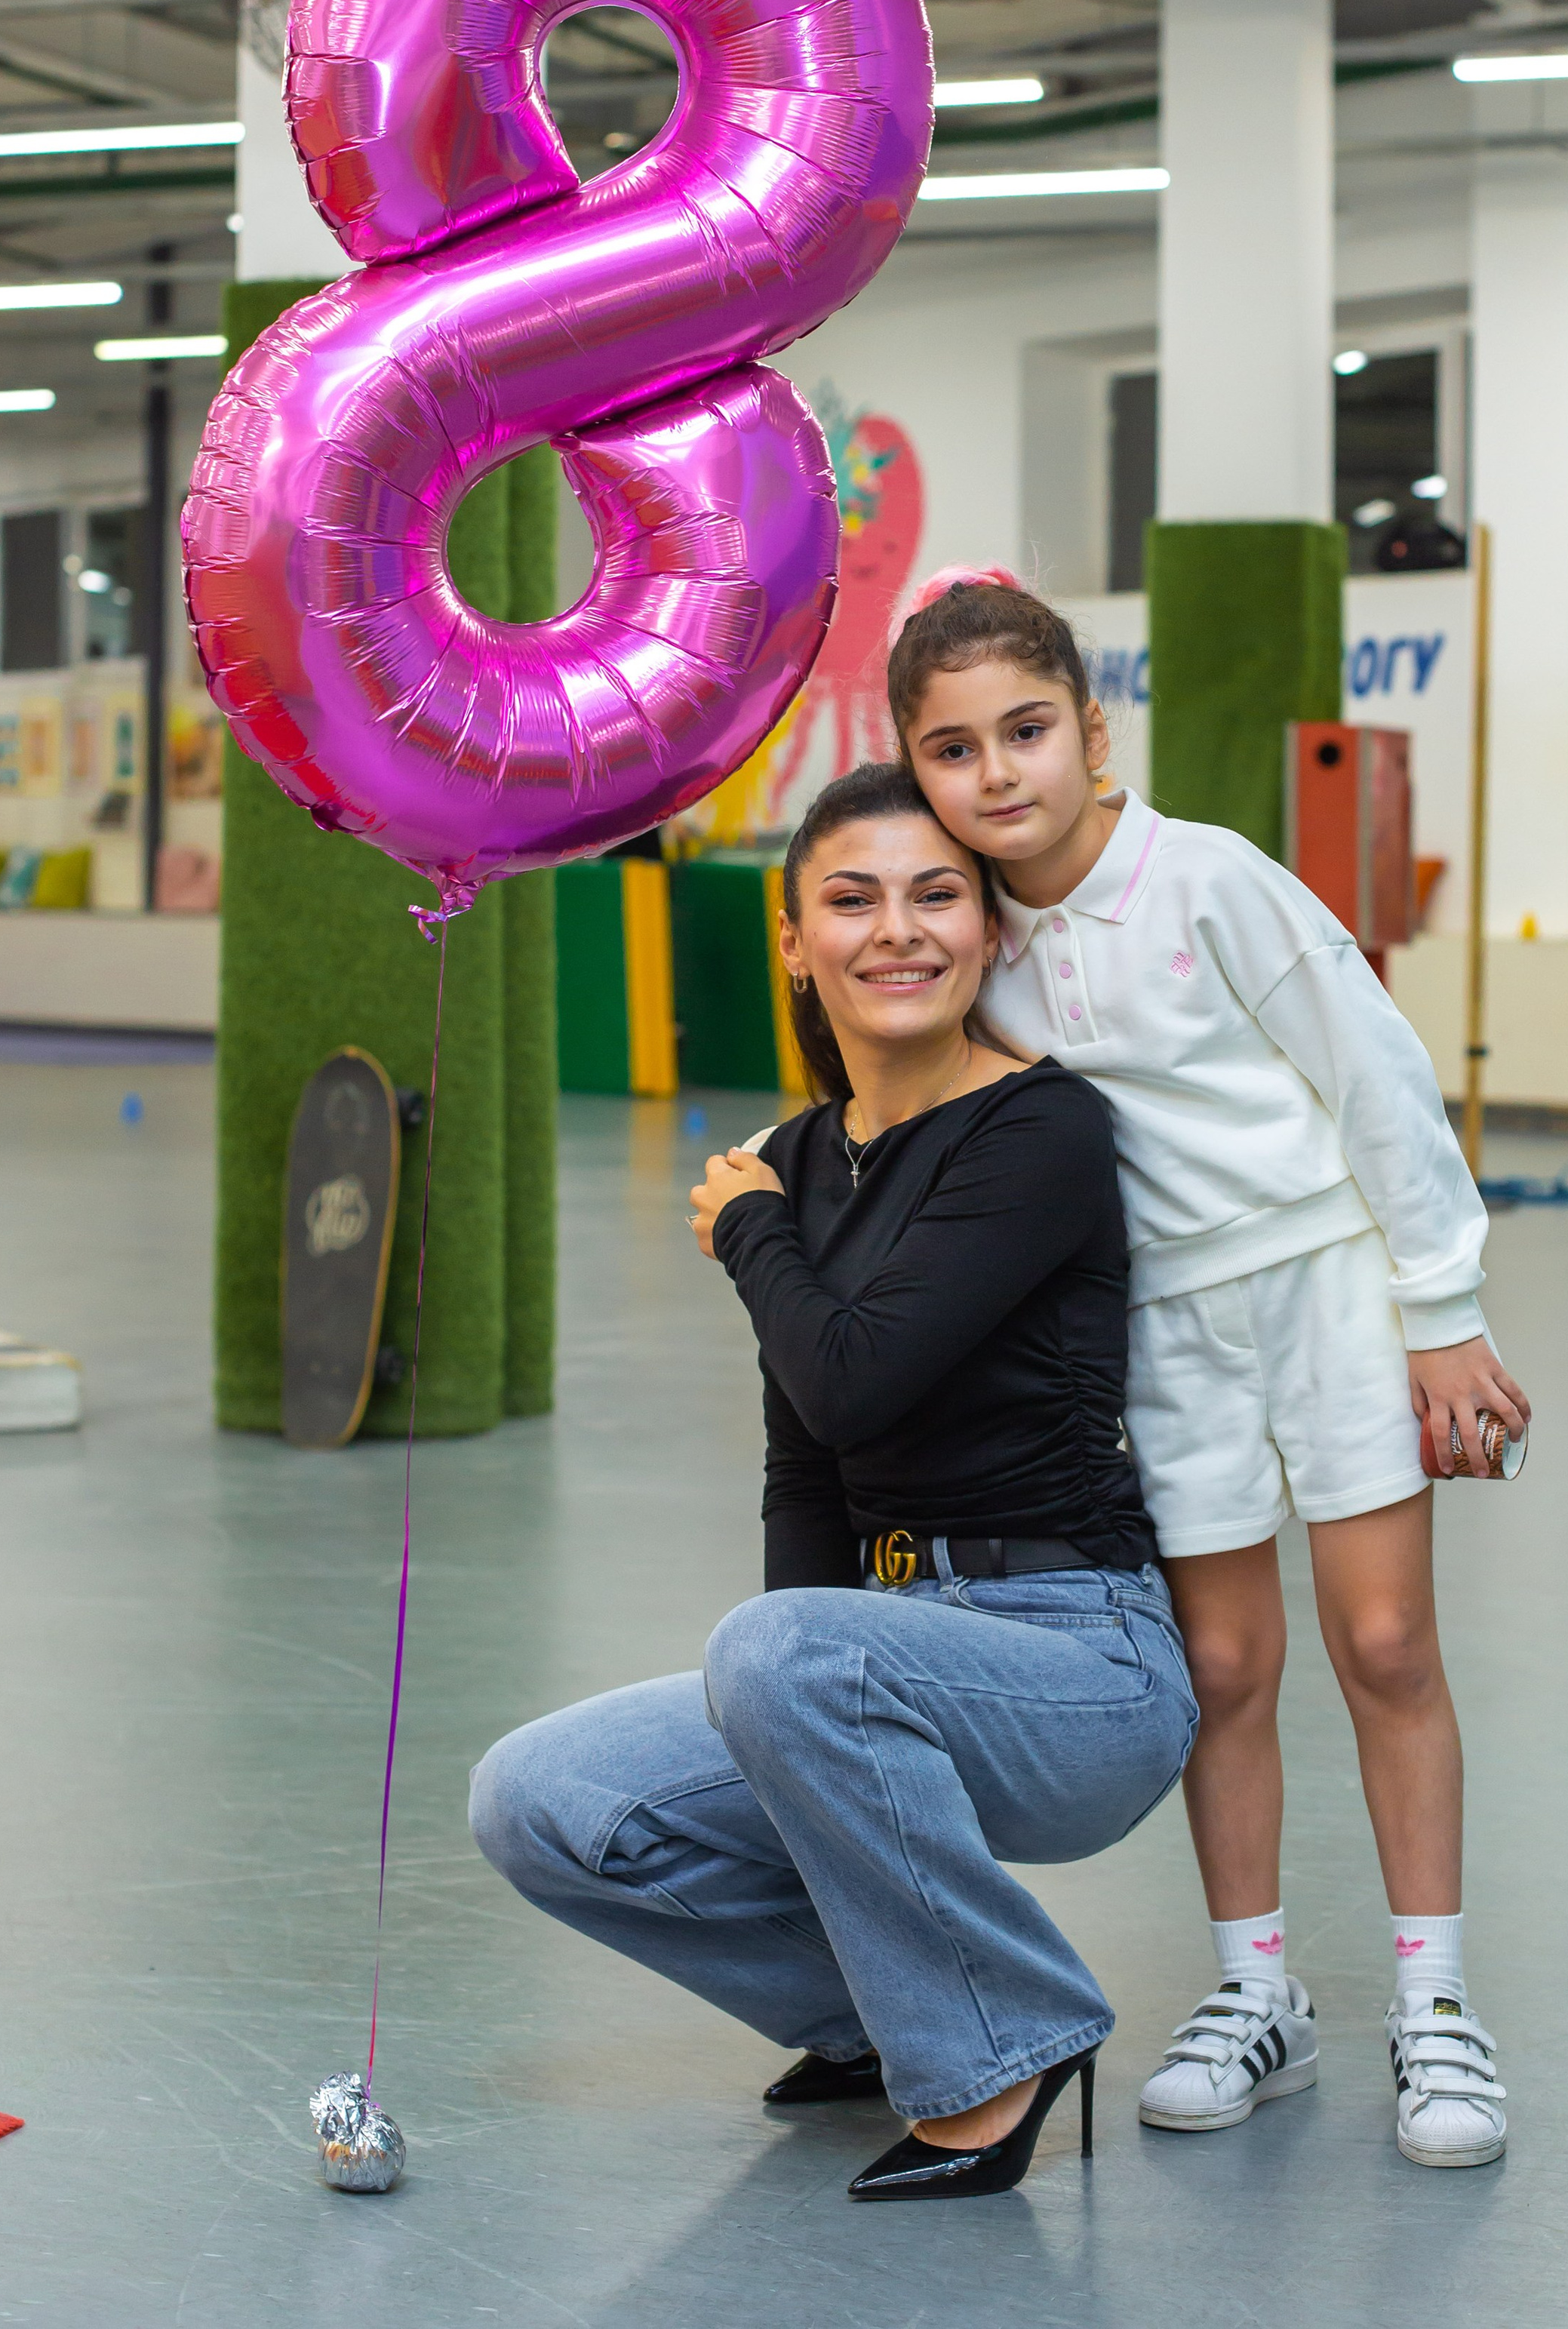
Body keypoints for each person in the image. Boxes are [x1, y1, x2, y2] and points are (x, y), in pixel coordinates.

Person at [470, 760, 1197, 2204]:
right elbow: (808, 1458)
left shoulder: (1041, 1131)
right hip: (875, 1654)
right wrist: (788, 1735)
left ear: (989, 929)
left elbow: (856, 1374)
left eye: (939, 896)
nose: (900, 931)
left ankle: (1000, 2046)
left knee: (783, 1647)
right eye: (853, 902)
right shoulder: (796, 1161)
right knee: (539, 1797)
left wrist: (752, 1231)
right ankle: (879, 2014)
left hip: (1077, 1663)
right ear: (795, 942)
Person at [885, 571, 1530, 2171]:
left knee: (1384, 1642)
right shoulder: (971, 945)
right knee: (1223, 1673)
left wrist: (1440, 1311)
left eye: (1026, 730)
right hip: (1160, 1335)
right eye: (953, 750)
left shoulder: (1212, 878)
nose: (996, 773)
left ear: (1093, 732)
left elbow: (1376, 1076)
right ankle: (1258, 1994)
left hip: (1329, 1290)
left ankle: (1435, 2001)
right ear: (917, 771)